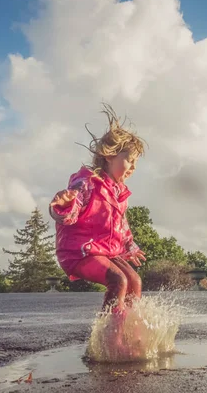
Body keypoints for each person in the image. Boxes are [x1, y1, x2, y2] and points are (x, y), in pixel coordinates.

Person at [49, 105, 146, 351]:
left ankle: (129, 334)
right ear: (109, 155)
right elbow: (70, 213)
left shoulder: (119, 193)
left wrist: (129, 246)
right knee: (118, 280)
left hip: (104, 250)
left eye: (135, 163)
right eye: (129, 160)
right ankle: (107, 341)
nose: (133, 167)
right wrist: (64, 205)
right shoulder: (87, 182)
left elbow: (121, 226)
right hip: (78, 251)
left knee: (134, 280)